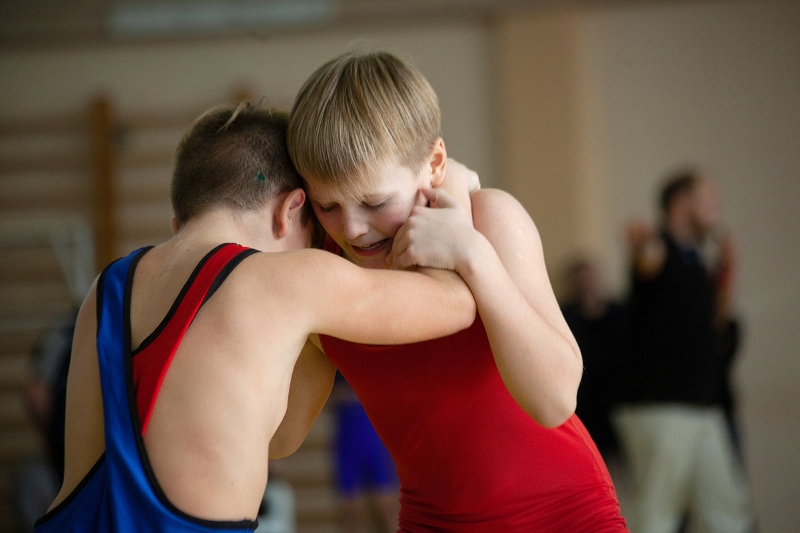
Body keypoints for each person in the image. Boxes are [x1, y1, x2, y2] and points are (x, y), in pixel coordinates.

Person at [33, 103, 477, 533]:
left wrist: (318, 328)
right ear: (290, 211)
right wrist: (448, 187)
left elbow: (279, 438)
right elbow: (455, 302)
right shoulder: (284, 278)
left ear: (178, 223)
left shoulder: (105, 287)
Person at [286, 51, 628, 532]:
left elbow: (554, 402)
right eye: (328, 206)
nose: (354, 228)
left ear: (435, 163)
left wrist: (474, 256)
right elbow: (281, 439)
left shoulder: (490, 220)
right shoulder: (322, 274)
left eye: (375, 202)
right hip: (433, 522)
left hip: (566, 513)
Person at [613, 169, 754, 533]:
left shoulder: (698, 263)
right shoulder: (659, 246)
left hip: (702, 404)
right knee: (656, 516)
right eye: (707, 199)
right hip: (660, 405)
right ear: (679, 204)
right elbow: (646, 259)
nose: (715, 207)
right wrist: (641, 244)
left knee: (728, 514)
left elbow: (717, 327)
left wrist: (728, 272)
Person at [560, 258, 628, 460]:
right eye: (580, 279)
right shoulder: (566, 315)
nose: (586, 284)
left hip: (616, 394)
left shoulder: (618, 313)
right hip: (583, 396)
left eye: (588, 278)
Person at [329, 372, 400, 533]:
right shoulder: (337, 371)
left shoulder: (377, 370)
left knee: (386, 507)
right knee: (351, 511)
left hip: (375, 445)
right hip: (348, 445)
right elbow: (331, 396)